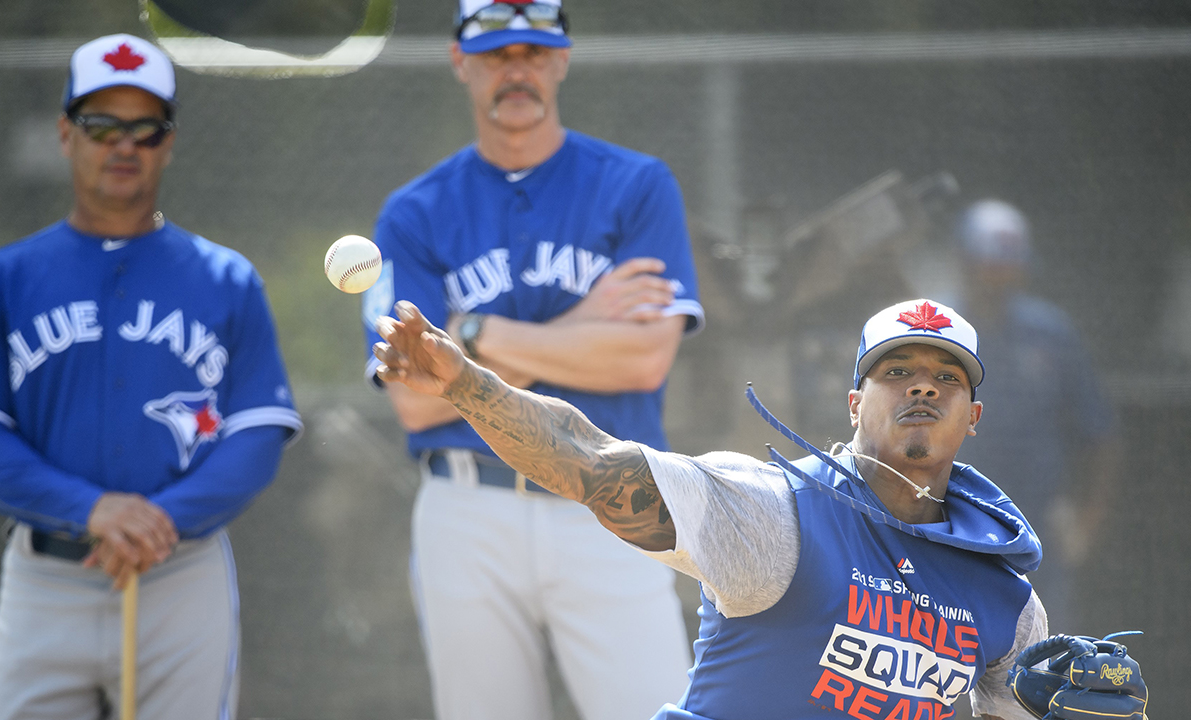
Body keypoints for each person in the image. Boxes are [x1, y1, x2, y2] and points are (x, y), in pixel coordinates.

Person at [373, 297, 1050, 720]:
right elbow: (594, 462)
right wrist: (470, 385)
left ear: (974, 416)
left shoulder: (1005, 599)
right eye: (897, 372)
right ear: (854, 403)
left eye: (946, 379)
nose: (923, 389)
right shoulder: (775, 513)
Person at [0, 34, 302, 719]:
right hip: (47, 581)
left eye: (145, 127)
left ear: (169, 141)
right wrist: (91, 508)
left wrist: (161, 520)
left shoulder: (227, 279)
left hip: (181, 574)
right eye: (102, 124)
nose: (123, 144)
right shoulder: (3, 280)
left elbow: (257, 436)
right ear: (66, 133)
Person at [359, 1, 703, 717]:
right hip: (466, 506)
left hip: (612, 499)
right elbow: (417, 398)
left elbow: (642, 361)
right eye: (495, 55)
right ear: (460, 62)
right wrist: (582, 325)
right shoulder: (412, 213)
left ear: (563, 59)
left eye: (534, 52)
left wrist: (469, 340)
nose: (516, 71)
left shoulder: (637, 186)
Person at [953, 199, 1119, 631]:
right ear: (966, 262)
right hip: (953, 520)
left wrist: (1085, 524)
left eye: (1011, 263)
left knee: (1043, 654)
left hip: (1040, 527)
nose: (1001, 276)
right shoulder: (940, 333)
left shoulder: (1050, 333)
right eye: (990, 263)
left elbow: (1100, 433)